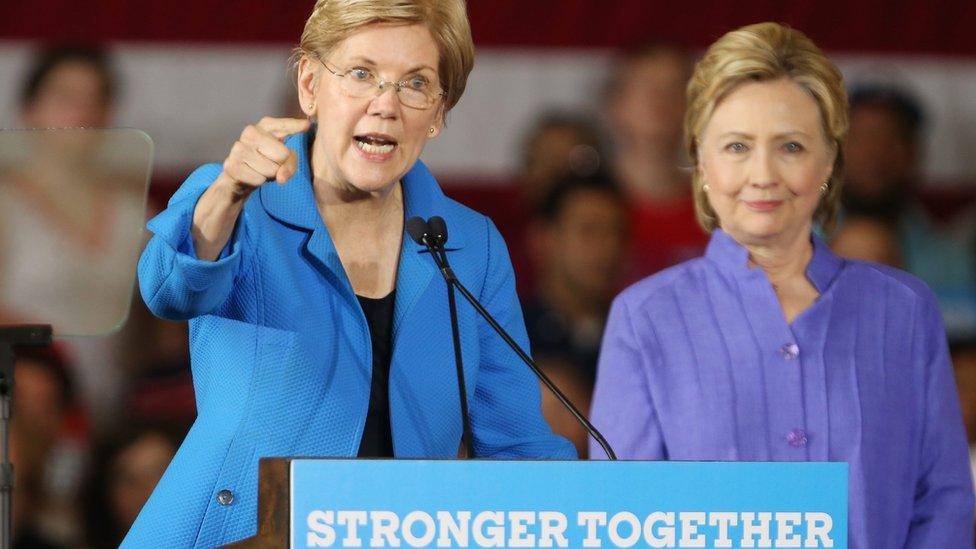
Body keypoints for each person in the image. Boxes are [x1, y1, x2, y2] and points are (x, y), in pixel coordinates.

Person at [127, 1, 574, 546]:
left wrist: (597, 514)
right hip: (230, 534)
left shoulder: (470, 245)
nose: (385, 105)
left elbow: (517, 445)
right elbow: (169, 293)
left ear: (437, 113)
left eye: (415, 84)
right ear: (310, 85)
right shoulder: (236, 200)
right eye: (361, 74)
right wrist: (226, 197)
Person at [590, 22, 974, 548]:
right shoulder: (645, 316)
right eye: (737, 146)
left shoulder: (904, 308)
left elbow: (944, 501)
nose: (763, 173)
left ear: (829, 160)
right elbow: (622, 521)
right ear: (700, 159)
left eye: (791, 146)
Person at [603, 43, 708, 280]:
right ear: (616, 104)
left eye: (674, 88)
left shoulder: (720, 205)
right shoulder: (581, 204)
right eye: (646, 88)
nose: (660, 101)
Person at [523, 172, 627, 384]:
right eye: (588, 231)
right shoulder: (508, 333)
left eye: (616, 232)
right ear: (544, 239)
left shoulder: (634, 331)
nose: (607, 247)